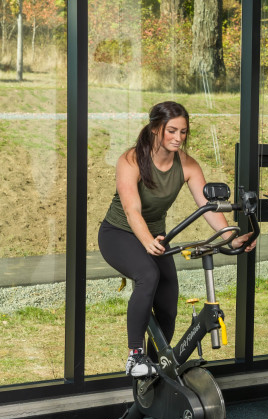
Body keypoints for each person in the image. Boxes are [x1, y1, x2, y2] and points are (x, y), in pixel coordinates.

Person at [98, 101, 255, 377]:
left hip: (156, 237)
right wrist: (147, 241)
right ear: (156, 128)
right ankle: (135, 356)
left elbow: (207, 206)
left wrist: (231, 238)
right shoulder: (131, 160)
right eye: (171, 131)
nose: (178, 138)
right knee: (148, 275)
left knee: (168, 303)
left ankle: (155, 367)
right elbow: (131, 209)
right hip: (119, 234)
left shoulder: (188, 165)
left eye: (183, 132)